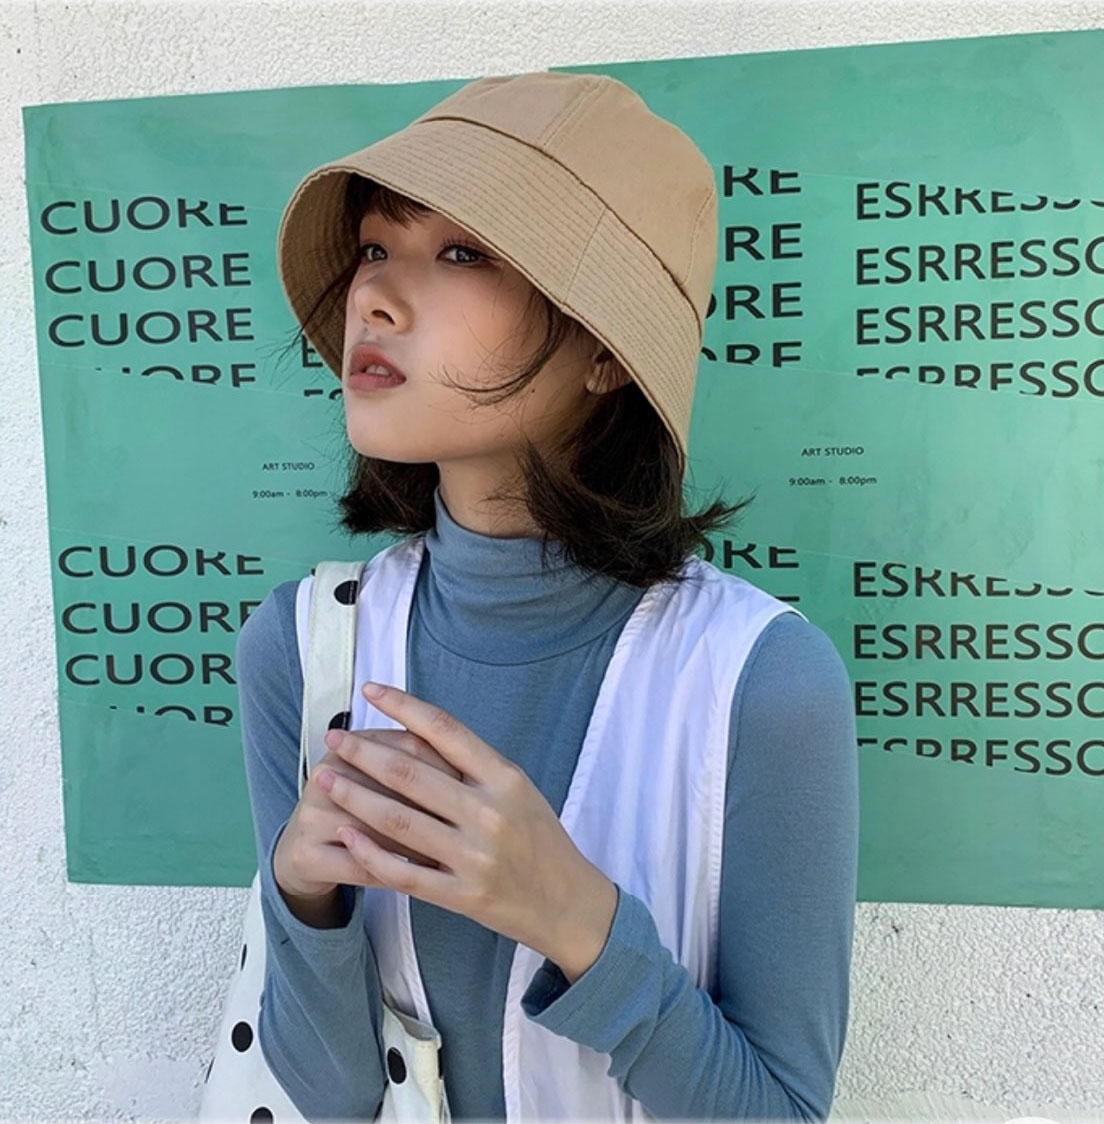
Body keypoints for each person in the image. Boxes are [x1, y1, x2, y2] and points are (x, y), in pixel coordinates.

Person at [236, 70, 859, 1122]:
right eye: (376, 247)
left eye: (464, 253)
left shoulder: (762, 681)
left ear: (608, 349)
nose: (373, 298)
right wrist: (303, 896)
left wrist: (580, 922)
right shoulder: (301, 648)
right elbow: (332, 1097)